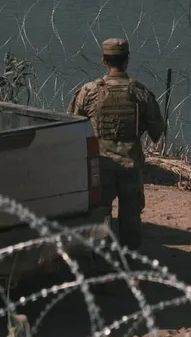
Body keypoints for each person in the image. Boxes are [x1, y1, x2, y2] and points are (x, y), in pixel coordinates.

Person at [66, 37, 165, 250]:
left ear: (104, 60)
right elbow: (158, 129)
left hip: (100, 164)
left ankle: (103, 260)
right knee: (130, 216)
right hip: (131, 163)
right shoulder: (140, 92)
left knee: (101, 214)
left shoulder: (89, 91)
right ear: (127, 60)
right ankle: (130, 259)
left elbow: (71, 124)